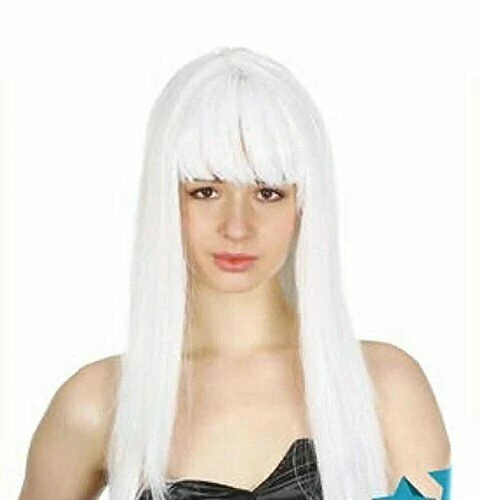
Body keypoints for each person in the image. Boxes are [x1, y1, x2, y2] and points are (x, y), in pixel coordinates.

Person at [18, 47, 451, 500]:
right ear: (166, 202)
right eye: (206, 191)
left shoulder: (386, 389)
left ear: (304, 205)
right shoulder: (97, 403)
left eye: (268, 193)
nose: (237, 227)